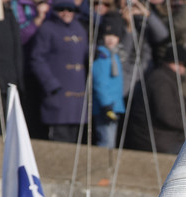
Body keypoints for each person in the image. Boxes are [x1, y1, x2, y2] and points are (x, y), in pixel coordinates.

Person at [28, 0, 89, 142]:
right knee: (59, 141)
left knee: (75, 142)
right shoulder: (47, 29)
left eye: (70, 9)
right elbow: (37, 59)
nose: (66, 13)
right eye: (61, 9)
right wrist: (51, 84)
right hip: (58, 96)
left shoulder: (80, 29)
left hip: (78, 99)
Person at [91, 17, 126, 149]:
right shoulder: (102, 56)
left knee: (111, 142)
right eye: (108, 35)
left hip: (114, 106)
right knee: (106, 141)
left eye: (115, 35)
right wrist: (106, 105)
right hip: (105, 107)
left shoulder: (115, 56)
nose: (111, 39)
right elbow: (99, 83)